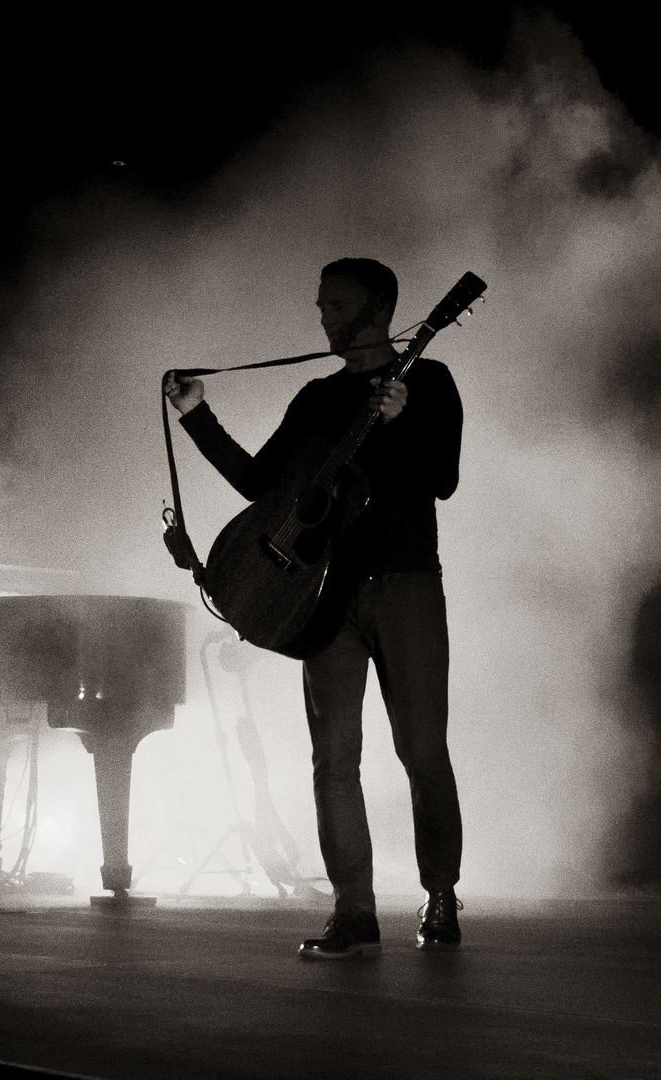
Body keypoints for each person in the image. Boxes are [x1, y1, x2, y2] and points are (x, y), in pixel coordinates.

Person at [163, 258, 464, 959]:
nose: (322, 316)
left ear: (378, 310)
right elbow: (260, 484)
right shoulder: (316, 398)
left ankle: (441, 893)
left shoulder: (429, 381)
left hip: (407, 585)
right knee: (333, 758)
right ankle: (353, 911)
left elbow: (442, 480)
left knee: (422, 750)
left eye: (335, 305)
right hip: (324, 596)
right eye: (322, 304)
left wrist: (402, 422)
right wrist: (196, 415)